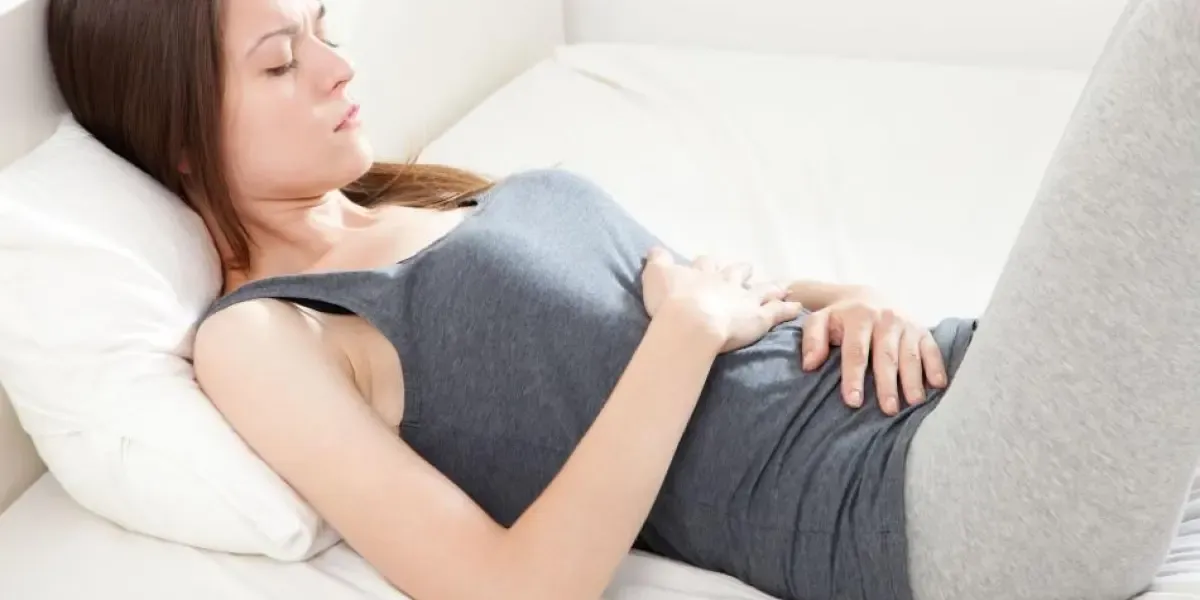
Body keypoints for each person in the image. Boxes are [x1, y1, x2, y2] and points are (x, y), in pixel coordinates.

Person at [45, 0, 1200, 598]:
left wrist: (846, 298)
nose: (340, 70)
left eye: (324, 31)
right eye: (278, 62)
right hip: (924, 514)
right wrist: (688, 332)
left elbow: (704, 304)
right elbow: (510, 589)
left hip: (953, 386)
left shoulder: (420, 196)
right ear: (179, 137)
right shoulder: (264, 336)